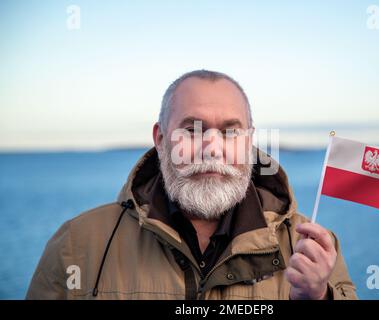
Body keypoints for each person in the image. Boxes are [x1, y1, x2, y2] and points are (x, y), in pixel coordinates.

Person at [26, 70, 357, 300]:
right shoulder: (79, 243)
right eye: (193, 129)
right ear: (160, 138)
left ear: (249, 141)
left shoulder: (313, 249)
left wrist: (317, 297)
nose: (212, 147)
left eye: (230, 131)